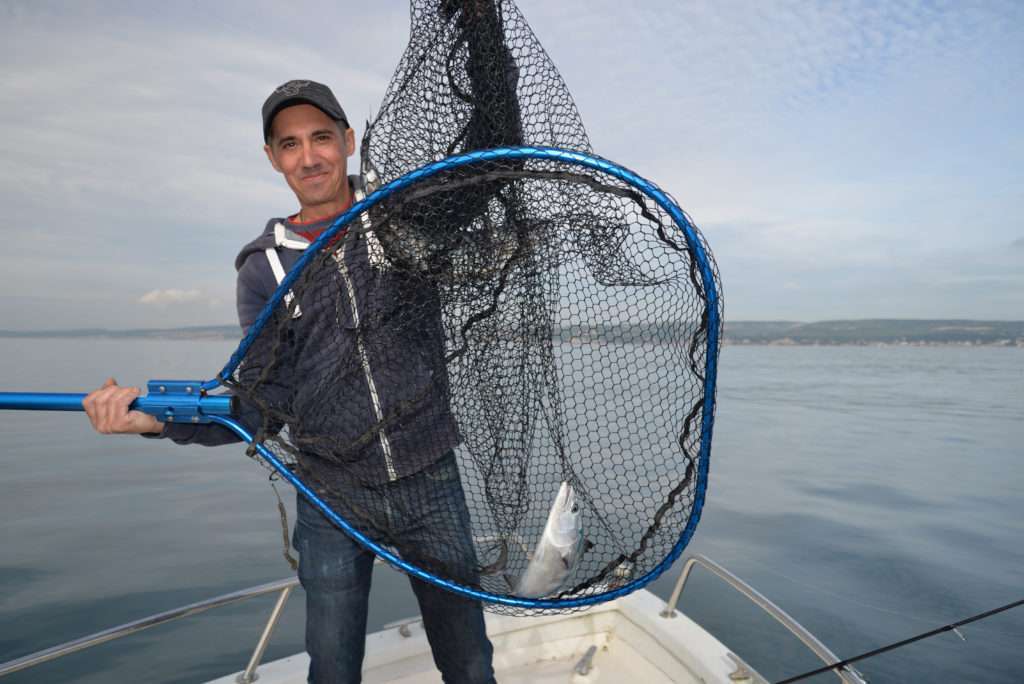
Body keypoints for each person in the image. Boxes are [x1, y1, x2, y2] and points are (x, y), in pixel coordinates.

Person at [83, 79, 496, 684]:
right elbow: (260, 403)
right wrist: (151, 419)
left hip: (429, 476)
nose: (310, 157)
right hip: (330, 493)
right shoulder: (262, 266)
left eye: (322, 138)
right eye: (291, 144)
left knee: (467, 660)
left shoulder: (402, 218)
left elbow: (486, 180)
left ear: (348, 142)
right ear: (273, 157)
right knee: (330, 664)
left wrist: (484, 36)